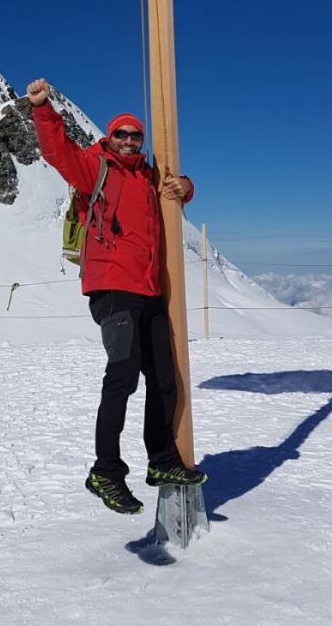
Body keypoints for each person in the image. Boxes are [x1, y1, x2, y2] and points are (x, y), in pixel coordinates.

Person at [27, 77, 206, 515]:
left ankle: (161, 460)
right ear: (109, 138)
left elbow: (179, 187)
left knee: (164, 379)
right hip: (112, 288)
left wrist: (185, 186)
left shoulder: (147, 176)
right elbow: (57, 152)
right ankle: (105, 471)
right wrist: (42, 108)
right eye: (121, 134)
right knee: (122, 375)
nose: (128, 140)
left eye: (135, 135)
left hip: (149, 290)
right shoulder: (96, 168)